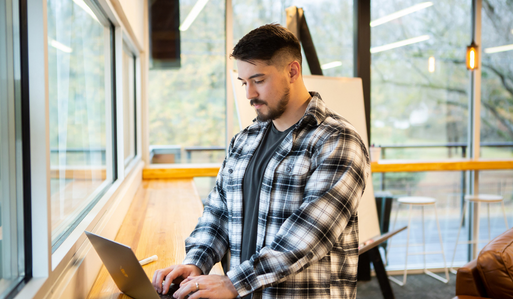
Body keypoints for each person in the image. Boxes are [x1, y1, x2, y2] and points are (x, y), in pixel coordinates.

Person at [152, 23, 370, 299]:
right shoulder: (244, 140)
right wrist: (195, 262)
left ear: (292, 71)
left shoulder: (337, 141)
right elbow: (218, 212)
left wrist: (232, 283)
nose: (249, 94)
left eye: (259, 80)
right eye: (244, 83)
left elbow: (307, 238)